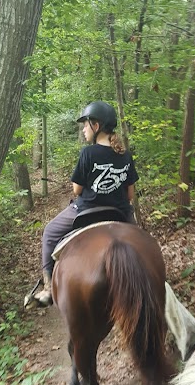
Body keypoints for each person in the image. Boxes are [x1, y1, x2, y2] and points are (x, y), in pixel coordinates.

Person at [34, 101, 139, 306]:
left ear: (96, 126)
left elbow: (77, 190)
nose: (83, 129)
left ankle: (48, 288)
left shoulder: (87, 154)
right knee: (139, 245)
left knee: (49, 233)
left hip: (87, 211)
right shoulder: (125, 155)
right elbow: (130, 195)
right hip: (120, 213)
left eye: (85, 124)